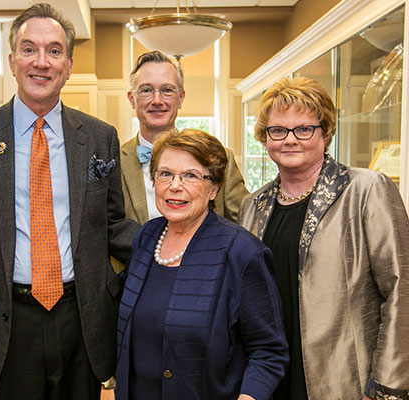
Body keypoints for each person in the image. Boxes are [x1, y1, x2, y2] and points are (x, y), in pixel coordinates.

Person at [0, 3, 138, 400]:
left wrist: (174, 245)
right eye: (29, 49)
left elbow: (114, 223)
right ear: (12, 61)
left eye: (54, 51)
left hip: (81, 319)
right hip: (5, 319)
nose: (41, 62)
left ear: (68, 64)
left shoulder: (100, 137)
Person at [238, 76, 409, 399]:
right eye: (278, 130)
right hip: (270, 375)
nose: (290, 140)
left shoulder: (367, 190)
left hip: (343, 378)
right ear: (264, 138)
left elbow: (402, 290)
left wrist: (386, 387)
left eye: (303, 129)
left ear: (326, 132)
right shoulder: (253, 205)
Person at [116, 129, 288, 400]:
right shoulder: (146, 237)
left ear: (214, 188)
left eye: (191, 176)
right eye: (165, 174)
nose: (175, 185)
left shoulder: (242, 252)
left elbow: (269, 351)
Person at [121, 51, 249, 225]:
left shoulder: (220, 159)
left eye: (167, 90)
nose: (157, 100)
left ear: (181, 98)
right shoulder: (115, 161)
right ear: (132, 99)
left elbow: (245, 223)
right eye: (146, 90)